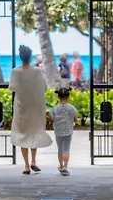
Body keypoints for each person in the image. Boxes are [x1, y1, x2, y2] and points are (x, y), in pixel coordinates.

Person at [9, 45, 52, 174]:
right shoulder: (37, 71)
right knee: (34, 133)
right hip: (35, 107)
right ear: (30, 56)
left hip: (22, 107)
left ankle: (27, 165)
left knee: (23, 134)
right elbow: (44, 87)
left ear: (20, 57)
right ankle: (33, 161)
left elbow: (12, 88)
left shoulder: (16, 71)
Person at [47, 87, 77, 176]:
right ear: (68, 97)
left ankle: (61, 165)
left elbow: (51, 119)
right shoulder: (72, 108)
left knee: (60, 149)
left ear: (58, 97)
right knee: (66, 149)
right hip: (68, 130)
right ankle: (65, 166)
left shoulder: (54, 108)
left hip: (58, 131)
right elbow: (75, 118)